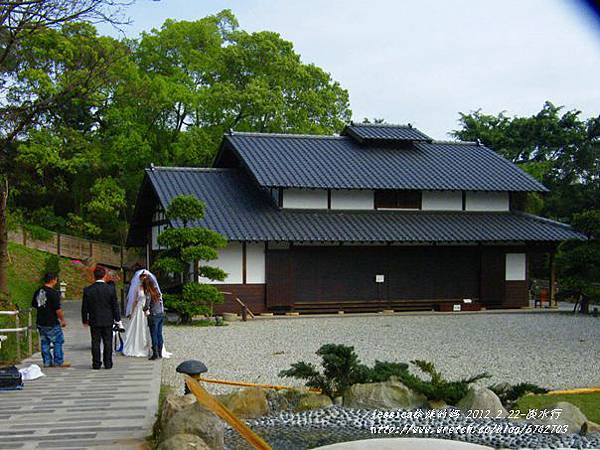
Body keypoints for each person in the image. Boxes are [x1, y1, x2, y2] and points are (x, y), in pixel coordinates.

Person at [81, 266, 121, 369]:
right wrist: (118, 319)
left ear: (94, 276)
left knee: (95, 341)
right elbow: (115, 306)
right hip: (108, 319)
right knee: (108, 341)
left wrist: (85, 319)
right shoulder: (110, 289)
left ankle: (96, 363)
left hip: (94, 319)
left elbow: (84, 307)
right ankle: (108, 363)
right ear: (104, 275)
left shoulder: (88, 290)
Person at [31, 273, 70, 368]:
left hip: (41, 321)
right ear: (53, 280)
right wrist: (62, 320)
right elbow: (58, 309)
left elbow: (34, 304)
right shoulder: (53, 293)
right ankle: (58, 361)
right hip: (51, 321)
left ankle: (47, 362)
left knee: (45, 342)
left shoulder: (38, 291)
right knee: (57, 341)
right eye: (56, 279)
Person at [122, 271, 152, 357]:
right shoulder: (138, 288)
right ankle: (136, 346)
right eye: (141, 278)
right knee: (137, 327)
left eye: (144, 277)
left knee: (146, 328)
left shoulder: (149, 288)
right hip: (139, 309)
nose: (142, 279)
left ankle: (147, 346)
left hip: (146, 309)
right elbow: (135, 301)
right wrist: (131, 312)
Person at [142, 274, 165, 361]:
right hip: (161, 314)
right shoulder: (157, 291)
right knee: (159, 334)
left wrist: (143, 309)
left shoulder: (149, 293)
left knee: (154, 334)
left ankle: (155, 353)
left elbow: (147, 305)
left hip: (154, 315)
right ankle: (160, 352)